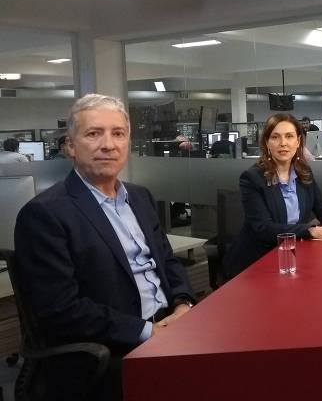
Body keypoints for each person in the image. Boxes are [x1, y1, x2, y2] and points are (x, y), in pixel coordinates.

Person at [13, 94, 195, 401]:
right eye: (94, 133)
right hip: (113, 349)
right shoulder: (45, 214)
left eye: (118, 133)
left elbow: (167, 261)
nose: (108, 144)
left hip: (169, 326)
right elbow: (62, 309)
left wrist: (183, 305)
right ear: (70, 146)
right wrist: (149, 332)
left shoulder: (139, 197)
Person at [224, 113, 322, 278]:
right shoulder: (252, 178)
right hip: (258, 260)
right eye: (275, 137)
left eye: (289, 136)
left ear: (298, 141)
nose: (283, 143)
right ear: (267, 143)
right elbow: (264, 229)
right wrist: (311, 231)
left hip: (294, 254)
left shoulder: (303, 172)